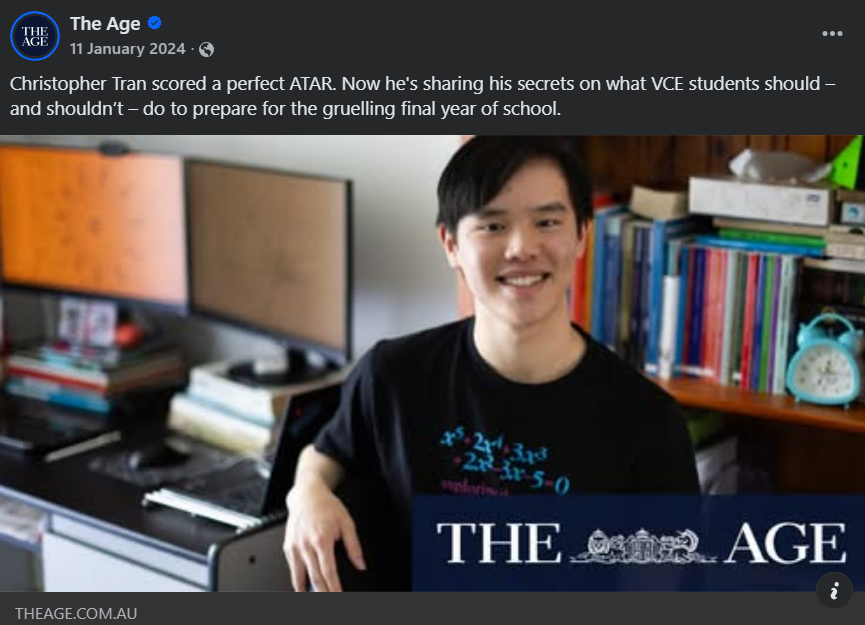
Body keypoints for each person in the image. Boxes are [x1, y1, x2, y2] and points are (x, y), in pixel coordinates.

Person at [283, 136, 699, 592]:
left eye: (547, 221)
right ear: (450, 243)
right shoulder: (394, 376)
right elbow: (327, 454)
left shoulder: (647, 423)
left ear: (582, 234)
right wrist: (307, 496)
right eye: (493, 226)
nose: (522, 247)